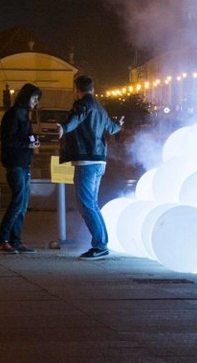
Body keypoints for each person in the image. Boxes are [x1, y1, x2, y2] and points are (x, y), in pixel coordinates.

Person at [59, 75, 124, 260]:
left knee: (86, 204)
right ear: (92, 88)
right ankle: (101, 243)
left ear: (76, 89)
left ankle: (100, 245)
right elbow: (112, 129)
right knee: (92, 204)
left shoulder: (83, 104)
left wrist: (63, 127)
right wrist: (119, 125)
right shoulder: (100, 108)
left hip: (86, 159)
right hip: (99, 160)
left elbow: (76, 118)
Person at [0, 83, 42, 254]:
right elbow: (7, 139)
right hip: (15, 163)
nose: (36, 102)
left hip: (23, 163)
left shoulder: (24, 115)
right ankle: (2, 239)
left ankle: (16, 240)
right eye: (34, 98)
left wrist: (33, 140)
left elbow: (26, 135)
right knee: (17, 202)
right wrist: (28, 144)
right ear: (26, 97)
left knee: (22, 205)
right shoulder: (14, 114)